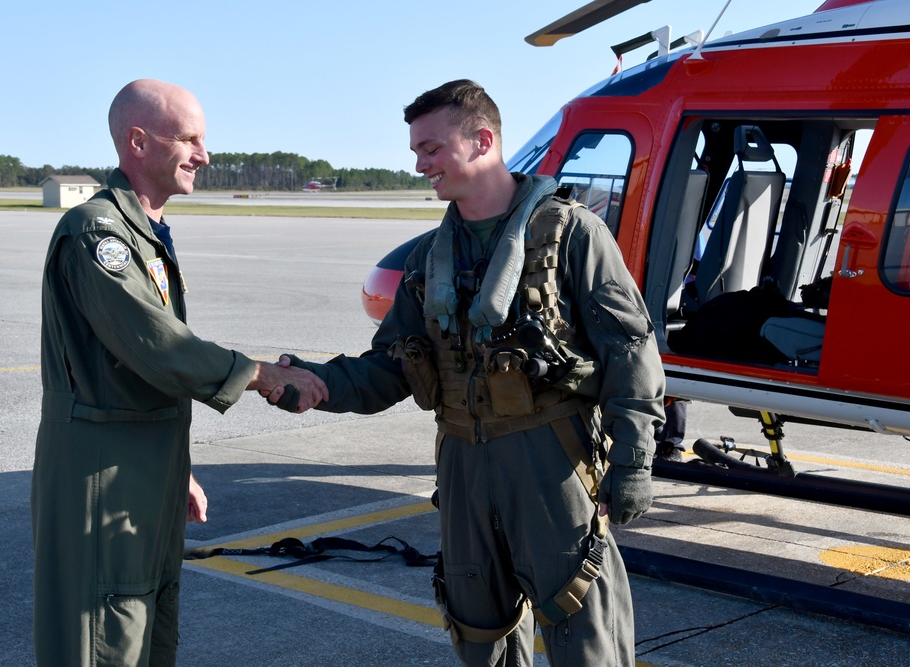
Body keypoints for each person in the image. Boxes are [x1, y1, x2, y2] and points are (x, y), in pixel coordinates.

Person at [271, 80, 665, 666]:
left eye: (431, 149)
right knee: (478, 634)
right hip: (461, 464)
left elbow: (631, 351)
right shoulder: (428, 258)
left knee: (584, 633)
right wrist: (312, 382)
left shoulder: (573, 234)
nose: (420, 164)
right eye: (415, 151)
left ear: (482, 140)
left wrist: (632, 462)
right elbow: (388, 368)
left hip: (550, 460)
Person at [30, 78, 327, 667]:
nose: (204, 156)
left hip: (146, 467)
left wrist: (176, 468)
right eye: (189, 139)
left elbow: (141, 372)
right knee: (105, 636)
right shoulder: (99, 233)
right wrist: (257, 374)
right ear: (138, 142)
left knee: (147, 622)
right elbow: (157, 345)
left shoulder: (143, 232)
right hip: (104, 472)